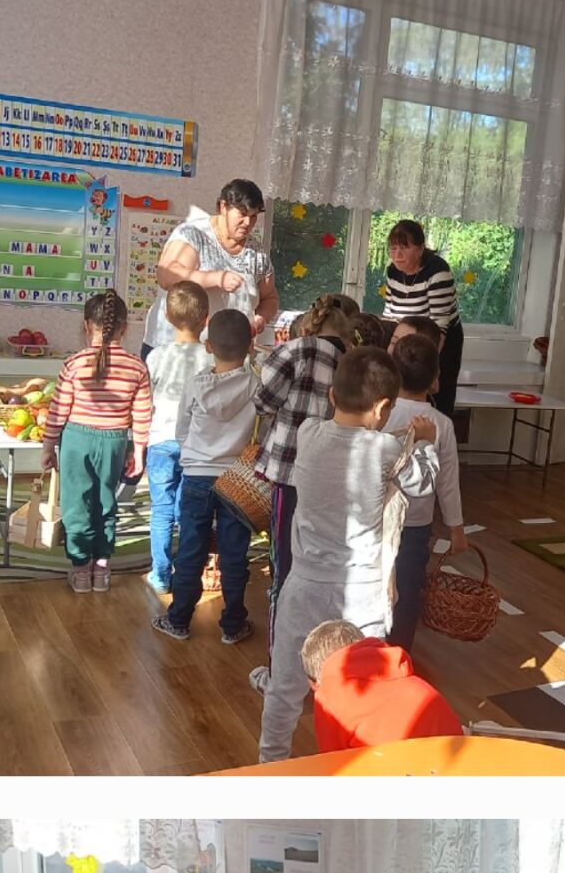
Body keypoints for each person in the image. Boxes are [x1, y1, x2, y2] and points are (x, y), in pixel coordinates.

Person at [259, 349, 439, 762]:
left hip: (303, 583)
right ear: (382, 408)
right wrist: (426, 444)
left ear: (331, 396)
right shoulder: (385, 450)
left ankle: (270, 762)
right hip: (362, 592)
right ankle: (361, 760)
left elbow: (343, 438)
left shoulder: (308, 433)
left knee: (284, 685)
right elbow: (422, 484)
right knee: (368, 685)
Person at [252, 295, 360, 634]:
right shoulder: (351, 362)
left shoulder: (293, 351)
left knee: (283, 553)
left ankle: (281, 634)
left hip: (289, 467)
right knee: (319, 551)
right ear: (345, 334)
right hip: (332, 473)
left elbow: (263, 402)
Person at [37, 289, 153, 592]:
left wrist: (48, 447)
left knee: (76, 504)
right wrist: (139, 451)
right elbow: (142, 414)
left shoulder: (74, 363)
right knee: (105, 502)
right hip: (115, 441)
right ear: (124, 329)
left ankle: (80, 570)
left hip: (77, 440)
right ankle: (101, 570)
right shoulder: (137, 366)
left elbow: (58, 410)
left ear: (87, 325)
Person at [160, 307, 259, 645]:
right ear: (250, 346)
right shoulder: (256, 384)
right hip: (237, 480)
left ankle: (179, 619)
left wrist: (195, 456)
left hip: (196, 477)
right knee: (234, 554)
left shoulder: (195, 384)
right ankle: (233, 624)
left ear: (208, 345)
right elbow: (262, 431)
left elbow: (182, 430)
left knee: (191, 549)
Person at [380, 326, 469, 648]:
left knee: (372, 586)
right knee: (406, 594)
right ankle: (399, 656)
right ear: (435, 379)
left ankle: (366, 651)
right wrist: (456, 528)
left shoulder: (380, 413)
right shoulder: (441, 424)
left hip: (376, 518)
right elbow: (448, 481)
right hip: (415, 526)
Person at [140, 282, 211, 601]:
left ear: (167, 317)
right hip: (197, 445)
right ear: (206, 319)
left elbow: (145, 400)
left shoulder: (157, 356)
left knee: (161, 509)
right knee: (189, 512)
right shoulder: (211, 358)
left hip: (160, 441)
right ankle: (187, 573)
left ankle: (160, 575)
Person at [149, 181, 277, 350]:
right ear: (223, 207)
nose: (248, 222)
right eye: (243, 213)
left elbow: (270, 298)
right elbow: (166, 276)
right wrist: (216, 278)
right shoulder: (193, 234)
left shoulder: (257, 254)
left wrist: (261, 318)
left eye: (254, 216)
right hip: (176, 350)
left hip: (226, 353)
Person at [300, 618, 460, 750]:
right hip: (458, 762)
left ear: (314, 684)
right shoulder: (403, 672)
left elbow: (332, 761)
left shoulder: (329, 695)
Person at [380, 220, 466, 412]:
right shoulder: (393, 271)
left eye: (404, 247)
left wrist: (431, 369)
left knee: (436, 395)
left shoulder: (438, 272)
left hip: (440, 340)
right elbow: (389, 314)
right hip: (407, 336)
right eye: (393, 248)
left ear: (420, 249)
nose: (397, 255)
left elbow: (440, 326)